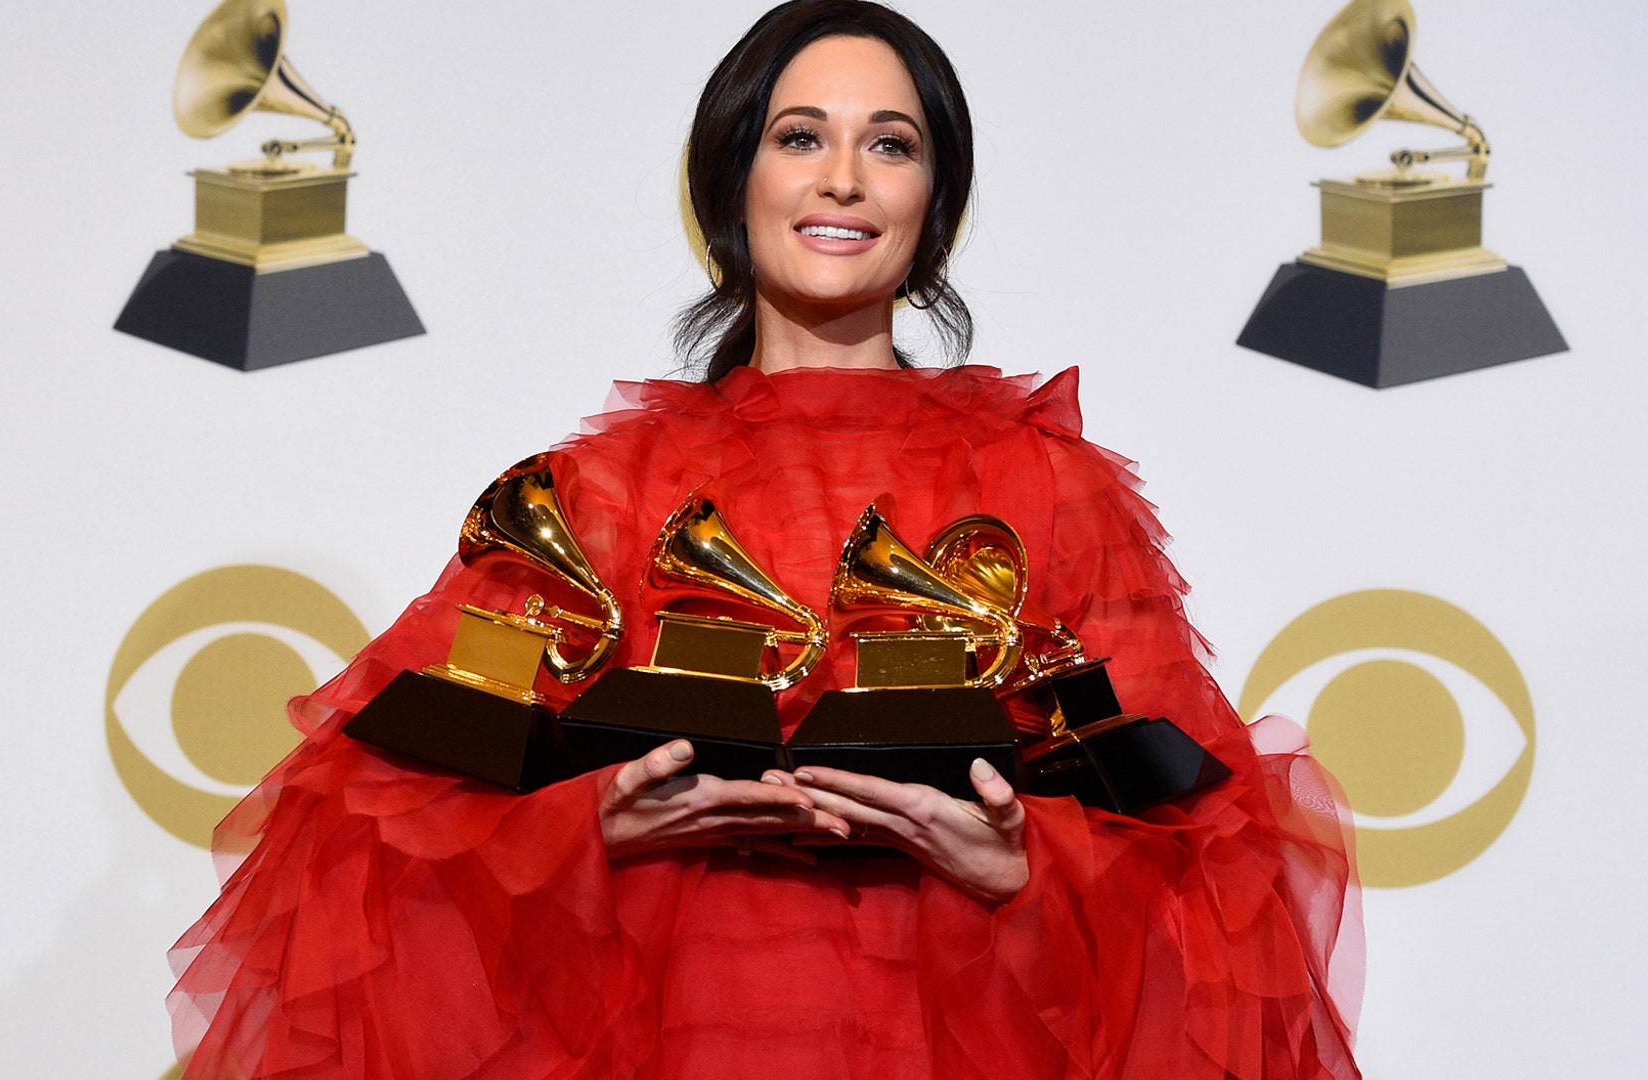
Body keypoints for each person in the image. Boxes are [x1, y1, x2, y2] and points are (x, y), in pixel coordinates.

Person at [169, 3, 1363, 1077]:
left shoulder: (1050, 490)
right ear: (729, 183)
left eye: (891, 144)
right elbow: (366, 833)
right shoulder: (593, 496)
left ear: (933, 202)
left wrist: (1022, 863)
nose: (844, 179)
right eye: (800, 138)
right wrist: (582, 829)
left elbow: (1209, 857)